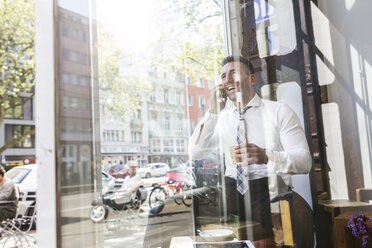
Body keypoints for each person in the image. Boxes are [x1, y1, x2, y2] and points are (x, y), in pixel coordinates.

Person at [190, 55, 312, 245]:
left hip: (268, 189)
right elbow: (196, 152)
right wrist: (213, 111)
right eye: (223, 76)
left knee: (270, 240)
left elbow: (304, 161)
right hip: (230, 192)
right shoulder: (219, 119)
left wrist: (267, 156)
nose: (227, 80)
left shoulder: (279, 111)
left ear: (252, 79)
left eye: (234, 73)